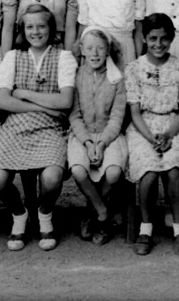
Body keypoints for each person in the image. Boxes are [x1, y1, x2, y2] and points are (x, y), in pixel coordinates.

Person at [0, 4, 77, 251]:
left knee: (52, 177)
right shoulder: (13, 57)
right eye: (29, 27)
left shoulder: (63, 57)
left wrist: (24, 93)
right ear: (22, 30)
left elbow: (65, 101)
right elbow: (4, 101)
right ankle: (20, 214)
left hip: (51, 128)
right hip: (15, 126)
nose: (35, 32)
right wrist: (46, 107)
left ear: (51, 28)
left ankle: (45, 213)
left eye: (41, 26)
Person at [126, 13, 179, 257]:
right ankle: (146, 229)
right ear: (144, 38)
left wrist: (168, 134)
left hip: (173, 125)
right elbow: (135, 112)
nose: (158, 44)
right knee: (149, 172)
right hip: (143, 128)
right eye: (153, 38)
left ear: (172, 38)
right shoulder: (134, 69)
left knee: (174, 170)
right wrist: (150, 137)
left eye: (164, 38)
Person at [68, 26, 127, 246]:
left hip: (109, 135)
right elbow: (74, 116)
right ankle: (102, 211)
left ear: (108, 50)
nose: (95, 53)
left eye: (100, 48)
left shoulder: (116, 79)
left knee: (113, 172)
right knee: (78, 169)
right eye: (90, 48)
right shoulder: (75, 76)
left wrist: (101, 143)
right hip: (81, 135)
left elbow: (117, 117)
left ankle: (91, 212)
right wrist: (87, 142)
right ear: (82, 49)